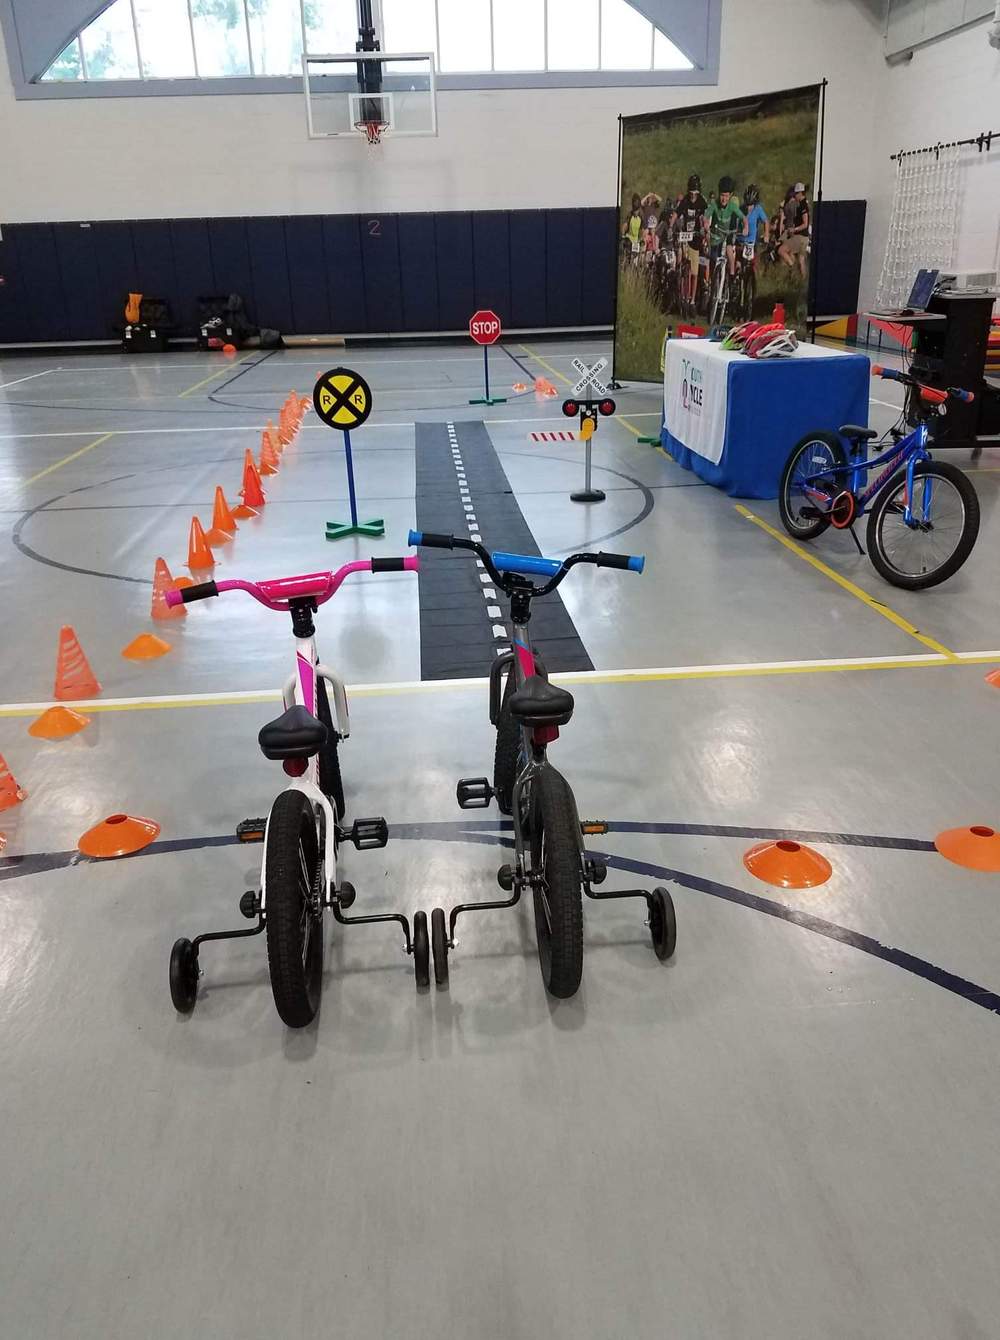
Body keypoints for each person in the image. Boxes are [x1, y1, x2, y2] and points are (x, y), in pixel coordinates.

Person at [673, 173, 708, 308]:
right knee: (682, 262)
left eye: (695, 192)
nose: (693, 195)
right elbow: (677, 213)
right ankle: (681, 291)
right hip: (685, 237)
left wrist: (704, 228)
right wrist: (671, 225)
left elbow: (705, 217)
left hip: (696, 239)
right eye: (691, 192)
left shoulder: (702, 202)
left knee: (694, 272)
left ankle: (692, 300)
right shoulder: (685, 201)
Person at [706, 175, 745, 279]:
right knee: (713, 256)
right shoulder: (716, 204)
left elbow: (742, 218)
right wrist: (706, 225)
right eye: (722, 195)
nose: (724, 199)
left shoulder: (733, 204)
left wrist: (744, 228)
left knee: (729, 250)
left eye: (726, 196)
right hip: (718, 233)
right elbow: (707, 215)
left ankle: (731, 277)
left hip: (730, 230)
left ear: (731, 195)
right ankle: (711, 280)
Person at [779, 181, 810, 278]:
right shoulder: (803, 203)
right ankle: (802, 280)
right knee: (801, 261)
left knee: (781, 250)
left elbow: (805, 224)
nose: (794, 195)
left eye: (796, 193)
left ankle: (791, 267)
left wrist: (794, 229)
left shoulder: (802, 205)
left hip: (800, 236)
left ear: (801, 193)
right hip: (805, 238)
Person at [622, 196, 643, 265]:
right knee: (627, 256)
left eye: (637, 211)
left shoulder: (641, 217)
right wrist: (623, 235)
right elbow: (624, 225)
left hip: (636, 240)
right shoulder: (630, 215)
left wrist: (641, 238)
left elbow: (642, 229)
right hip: (629, 238)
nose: (635, 212)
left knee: (635, 260)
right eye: (634, 210)